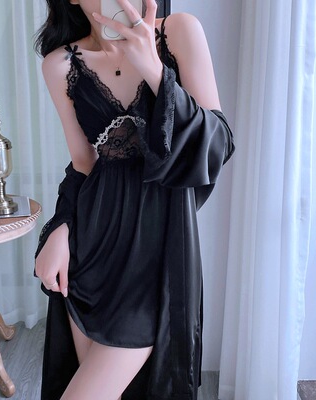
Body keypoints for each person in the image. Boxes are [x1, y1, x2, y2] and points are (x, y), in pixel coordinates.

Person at [34, 0, 235, 399]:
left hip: (157, 253)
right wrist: (60, 229)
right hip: (92, 248)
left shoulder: (179, 32)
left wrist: (154, 69)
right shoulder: (60, 64)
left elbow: (219, 143)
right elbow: (84, 162)